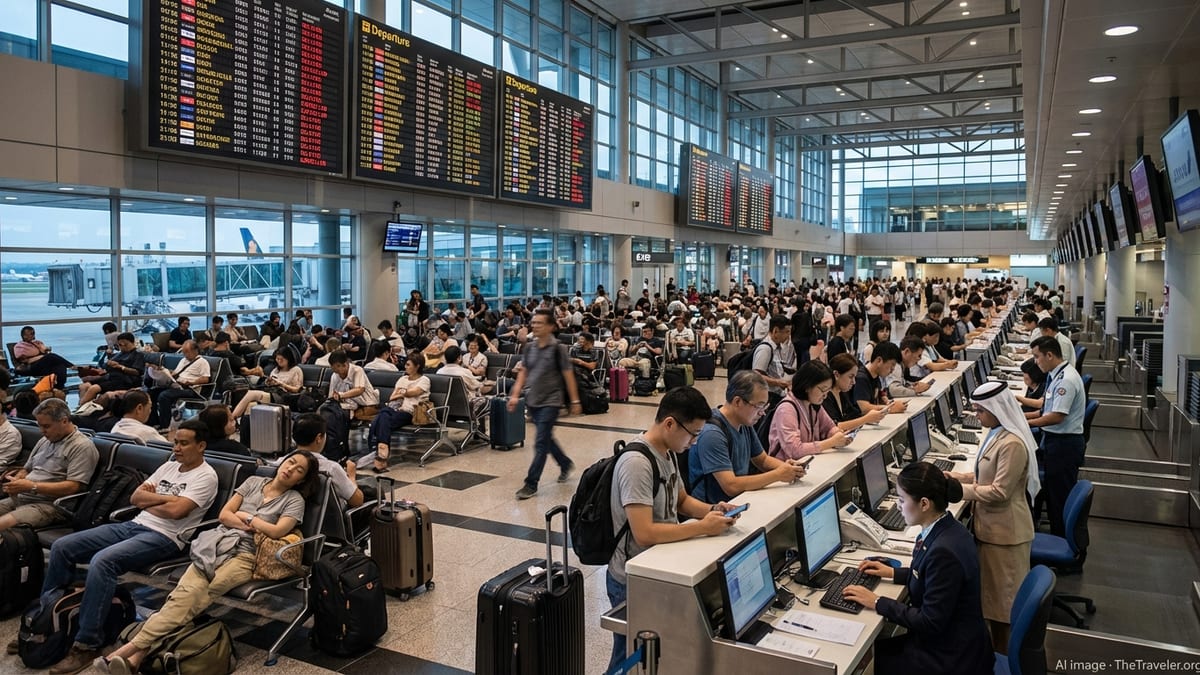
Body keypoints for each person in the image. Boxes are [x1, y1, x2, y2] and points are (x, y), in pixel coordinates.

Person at [100, 452, 318, 675]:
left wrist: (248, 517)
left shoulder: (294, 500)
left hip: (247, 556)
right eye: (291, 462)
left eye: (299, 470)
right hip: (215, 545)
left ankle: (124, 653)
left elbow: (277, 531)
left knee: (195, 596)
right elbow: (224, 516)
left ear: (301, 480)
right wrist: (251, 523)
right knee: (185, 595)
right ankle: (135, 658)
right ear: (283, 461)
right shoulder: (253, 482)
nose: (291, 469)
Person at [35, 418, 218, 675]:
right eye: (176, 442)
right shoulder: (169, 466)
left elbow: (178, 512)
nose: (176, 448)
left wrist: (153, 500)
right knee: (63, 547)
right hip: (133, 524)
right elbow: (136, 497)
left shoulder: (206, 476)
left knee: (103, 561)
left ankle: (87, 643)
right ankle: (48, 622)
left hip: (165, 537)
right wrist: (164, 499)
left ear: (201, 446)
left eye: (184, 443)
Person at [606, 387, 739, 669]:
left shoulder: (667, 452)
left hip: (659, 564)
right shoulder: (637, 463)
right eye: (692, 434)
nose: (693, 442)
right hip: (633, 576)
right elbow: (644, 532)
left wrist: (713, 510)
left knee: (653, 653)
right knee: (628, 657)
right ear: (669, 423)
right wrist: (702, 528)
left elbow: (680, 500)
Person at [842, 462, 993, 674]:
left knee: (868, 662)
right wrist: (893, 572)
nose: (897, 506)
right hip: (954, 641)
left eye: (902, 500)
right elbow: (931, 575)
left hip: (951, 657)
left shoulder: (944, 552)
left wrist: (876, 601)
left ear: (924, 504)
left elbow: (929, 622)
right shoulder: (946, 528)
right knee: (880, 649)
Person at [947, 381, 1039, 651]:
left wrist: (958, 491)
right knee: (994, 603)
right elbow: (985, 474)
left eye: (980, 411)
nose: (977, 416)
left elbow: (1000, 491)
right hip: (989, 529)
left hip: (1006, 534)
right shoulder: (995, 433)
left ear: (996, 409)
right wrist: (955, 476)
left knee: (1004, 608)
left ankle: (1006, 659)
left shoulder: (1012, 444)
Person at [687, 371, 807, 504]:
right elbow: (731, 486)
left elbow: (762, 460)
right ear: (738, 401)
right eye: (759, 406)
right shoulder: (712, 434)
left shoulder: (744, 423)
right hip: (714, 510)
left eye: (765, 406)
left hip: (739, 500)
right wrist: (778, 475)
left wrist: (788, 469)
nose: (762, 413)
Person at [509, 309, 583, 500]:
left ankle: (531, 483)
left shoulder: (558, 349)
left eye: (539, 323)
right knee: (546, 438)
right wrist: (515, 395)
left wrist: (575, 400)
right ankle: (565, 463)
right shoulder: (530, 348)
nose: (534, 326)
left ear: (550, 326)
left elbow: (568, 375)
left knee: (540, 442)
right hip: (533, 399)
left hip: (551, 401)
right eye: (533, 322)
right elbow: (524, 372)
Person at [0, 398, 99, 531]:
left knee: (2, 525)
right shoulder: (45, 440)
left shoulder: (82, 446)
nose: (42, 431)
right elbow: (26, 469)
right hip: (24, 497)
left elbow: (74, 486)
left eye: (46, 426)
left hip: (51, 505)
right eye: (39, 426)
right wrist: (18, 480)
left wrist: (32, 486)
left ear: (64, 421)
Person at [1025, 335, 1086, 537]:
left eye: (1037, 357)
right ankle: (1057, 534)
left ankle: (1061, 540)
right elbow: (1045, 409)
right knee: (1054, 495)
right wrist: (1021, 417)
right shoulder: (1057, 375)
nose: (1035, 362)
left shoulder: (1065, 381)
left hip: (1064, 445)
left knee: (1059, 498)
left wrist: (1026, 424)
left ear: (1049, 355)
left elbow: (1056, 417)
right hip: (1056, 442)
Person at [768, 361, 849, 459]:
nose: (825, 395)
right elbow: (794, 450)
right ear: (807, 386)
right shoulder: (786, 409)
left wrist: (837, 434)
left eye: (828, 391)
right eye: (823, 390)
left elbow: (829, 427)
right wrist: (831, 442)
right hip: (787, 467)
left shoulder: (813, 404)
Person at [368, 354, 430, 473]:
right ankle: (383, 450)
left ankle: (378, 450)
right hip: (394, 409)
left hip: (409, 412)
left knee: (382, 417)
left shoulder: (424, 380)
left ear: (417, 366)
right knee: (384, 416)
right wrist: (404, 393)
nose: (405, 367)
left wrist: (402, 392)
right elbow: (392, 397)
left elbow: (413, 392)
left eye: (408, 365)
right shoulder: (402, 379)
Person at [292, 414, 363, 508]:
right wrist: (352, 476)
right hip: (331, 520)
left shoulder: (281, 463)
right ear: (319, 438)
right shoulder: (330, 469)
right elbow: (357, 501)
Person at [146, 340, 211, 428]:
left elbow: (205, 379)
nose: (185, 355)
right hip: (177, 385)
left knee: (164, 396)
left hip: (190, 388)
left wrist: (192, 382)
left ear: (196, 350)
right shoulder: (183, 360)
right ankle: (153, 421)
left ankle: (164, 425)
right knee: (151, 392)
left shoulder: (202, 362)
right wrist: (162, 372)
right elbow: (175, 373)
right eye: (184, 352)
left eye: (187, 352)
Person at [232, 347, 302, 421]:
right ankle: (244, 428)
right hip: (271, 392)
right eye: (277, 359)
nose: (279, 361)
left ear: (288, 358)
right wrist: (268, 382)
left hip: (283, 396)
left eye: (281, 359)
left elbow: (297, 389)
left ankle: (231, 419)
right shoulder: (276, 370)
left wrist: (281, 384)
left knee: (251, 394)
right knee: (251, 405)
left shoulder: (296, 370)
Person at [78, 332, 145, 406]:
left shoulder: (138, 355)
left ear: (132, 342)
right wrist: (108, 363)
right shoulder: (119, 354)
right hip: (111, 377)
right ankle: (83, 407)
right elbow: (104, 366)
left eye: (125, 344)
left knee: (93, 388)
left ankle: (81, 409)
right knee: (84, 386)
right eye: (120, 345)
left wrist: (120, 367)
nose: (122, 347)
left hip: (125, 380)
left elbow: (137, 372)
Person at [751, 315, 796, 406]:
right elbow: (756, 376)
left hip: (776, 395)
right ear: (775, 331)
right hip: (768, 397)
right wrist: (778, 382)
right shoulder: (765, 349)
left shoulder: (777, 348)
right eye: (786, 332)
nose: (788, 336)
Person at [12, 325, 74, 390]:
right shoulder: (19, 346)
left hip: (41, 366)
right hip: (30, 367)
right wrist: (41, 356)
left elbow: (44, 351)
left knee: (60, 366)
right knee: (50, 356)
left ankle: (59, 387)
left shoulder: (35, 343)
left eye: (34, 333)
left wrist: (41, 347)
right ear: (24, 335)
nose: (33, 335)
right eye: (31, 334)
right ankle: (71, 366)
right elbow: (26, 361)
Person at [854, 341, 907, 413]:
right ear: (879, 360)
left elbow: (880, 398)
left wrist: (888, 402)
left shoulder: (876, 377)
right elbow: (864, 408)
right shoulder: (861, 378)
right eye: (892, 365)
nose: (892, 370)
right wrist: (890, 408)